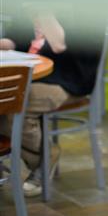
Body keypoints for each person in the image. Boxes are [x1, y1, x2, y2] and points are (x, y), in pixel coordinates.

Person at [0, 10, 102, 197]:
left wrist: (43, 10)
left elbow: (58, 45)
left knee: (13, 104)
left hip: (67, 80)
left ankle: (45, 157)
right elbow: (15, 40)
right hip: (33, 77)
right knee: (6, 99)